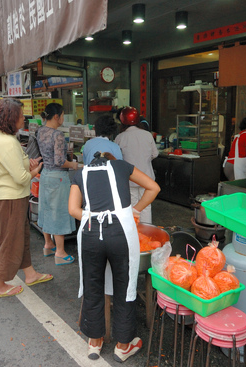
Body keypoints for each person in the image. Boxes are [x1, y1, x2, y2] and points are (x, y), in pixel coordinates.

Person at [68, 152, 160, 362]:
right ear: (112, 160)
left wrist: (94, 217)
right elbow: (154, 187)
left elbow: (73, 209)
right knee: (124, 286)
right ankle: (123, 346)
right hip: (121, 234)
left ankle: (94, 342)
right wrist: (135, 210)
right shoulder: (122, 166)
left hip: (91, 234)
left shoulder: (81, 174)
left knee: (92, 285)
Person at [0, 99, 53, 298]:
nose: (23, 118)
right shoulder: (6, 141)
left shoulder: (4, 137)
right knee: (9, 241)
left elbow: (17, 165)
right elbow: (21, 178)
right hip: (10, 199)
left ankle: (30, 274)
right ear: (11, 118)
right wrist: (36, 170)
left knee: (21, 237)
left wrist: (28, 163)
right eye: (20, 115)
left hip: (13, 198)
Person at [37, 102, 79, 266]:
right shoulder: (58, 135)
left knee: (47, 209)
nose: (62, 118)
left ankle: (48, 245)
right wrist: (73, 165)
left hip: (45, 175)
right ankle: (60, 253)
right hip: (58, 177)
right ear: (57, 117)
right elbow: (60, 161)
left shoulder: (40, 131)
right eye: (62, 115)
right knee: (59, 212)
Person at [114, 106, 158, 224]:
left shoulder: (120, 137)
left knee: (132, 207)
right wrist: (144, 160)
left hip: (130, 178)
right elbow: (155, 154)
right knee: (146, 206)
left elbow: (117, 159)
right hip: (147, 178)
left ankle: (135, 234)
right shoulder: (147, 134)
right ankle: (147, 233)